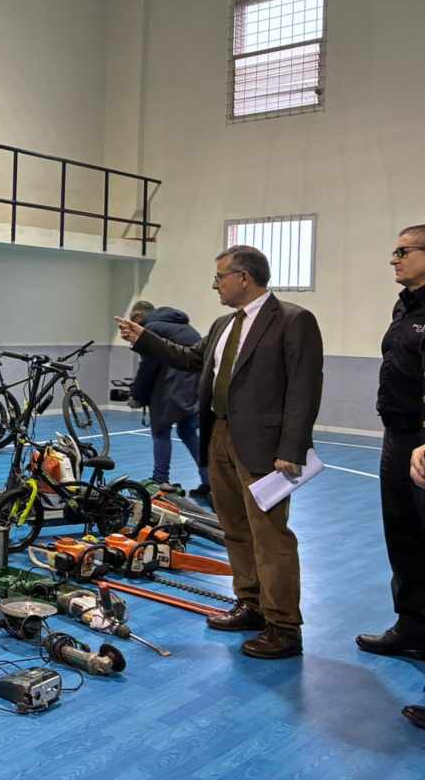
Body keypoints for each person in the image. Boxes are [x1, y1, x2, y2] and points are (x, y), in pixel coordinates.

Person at [116, 245, 323, 659]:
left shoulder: (293, 320)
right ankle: (250, 604)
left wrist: (292, 445)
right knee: (234, 528)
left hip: (266, 447)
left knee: (271, 537)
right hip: (221, 436)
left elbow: (304, 385)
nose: (216, 285)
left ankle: (284, 627)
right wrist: (146, 340)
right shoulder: (223, 324)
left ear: (244, 277)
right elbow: (191, 360)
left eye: (220, 277)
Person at [357, 224, 425, 664]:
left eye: (403, 251)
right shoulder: (404, 308)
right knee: (402, 535)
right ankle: (412, 627)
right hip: (398, 437)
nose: (394, 259)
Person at [128, 300, 211, 496]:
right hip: (195, 386)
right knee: (188, 432)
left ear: (139, 318)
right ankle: (210, 481)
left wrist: (137, 395)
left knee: (160, 430)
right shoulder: (181, 325)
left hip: (173, 386)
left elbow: (148, 367)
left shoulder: (151, 328)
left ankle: (160, 479)